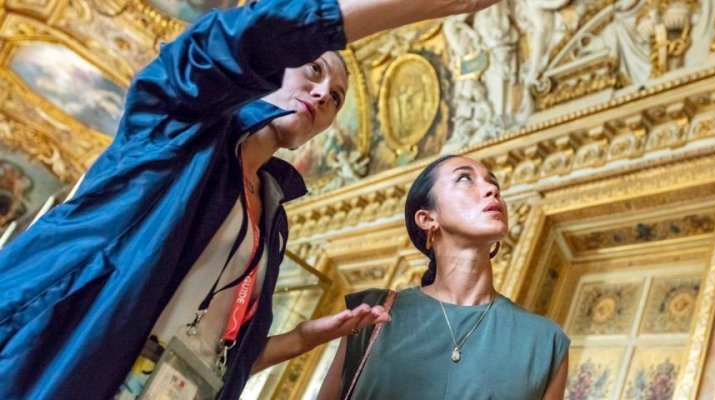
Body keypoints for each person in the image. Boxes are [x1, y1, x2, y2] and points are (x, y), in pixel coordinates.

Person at [0, 1, 501, 399]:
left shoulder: (272, 217)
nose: (326, 93)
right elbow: (206, 53)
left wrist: (305, 338)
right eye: (313, 70)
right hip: (46, 367)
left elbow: (207, 353)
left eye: (339, 96)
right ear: (268, 70)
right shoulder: (180, 135)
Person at [318, 155, 570, 399]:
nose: (492, 190)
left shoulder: (546, 341)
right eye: (464, 179)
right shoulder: (373, 313)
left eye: (494, 183)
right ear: (427, 219)